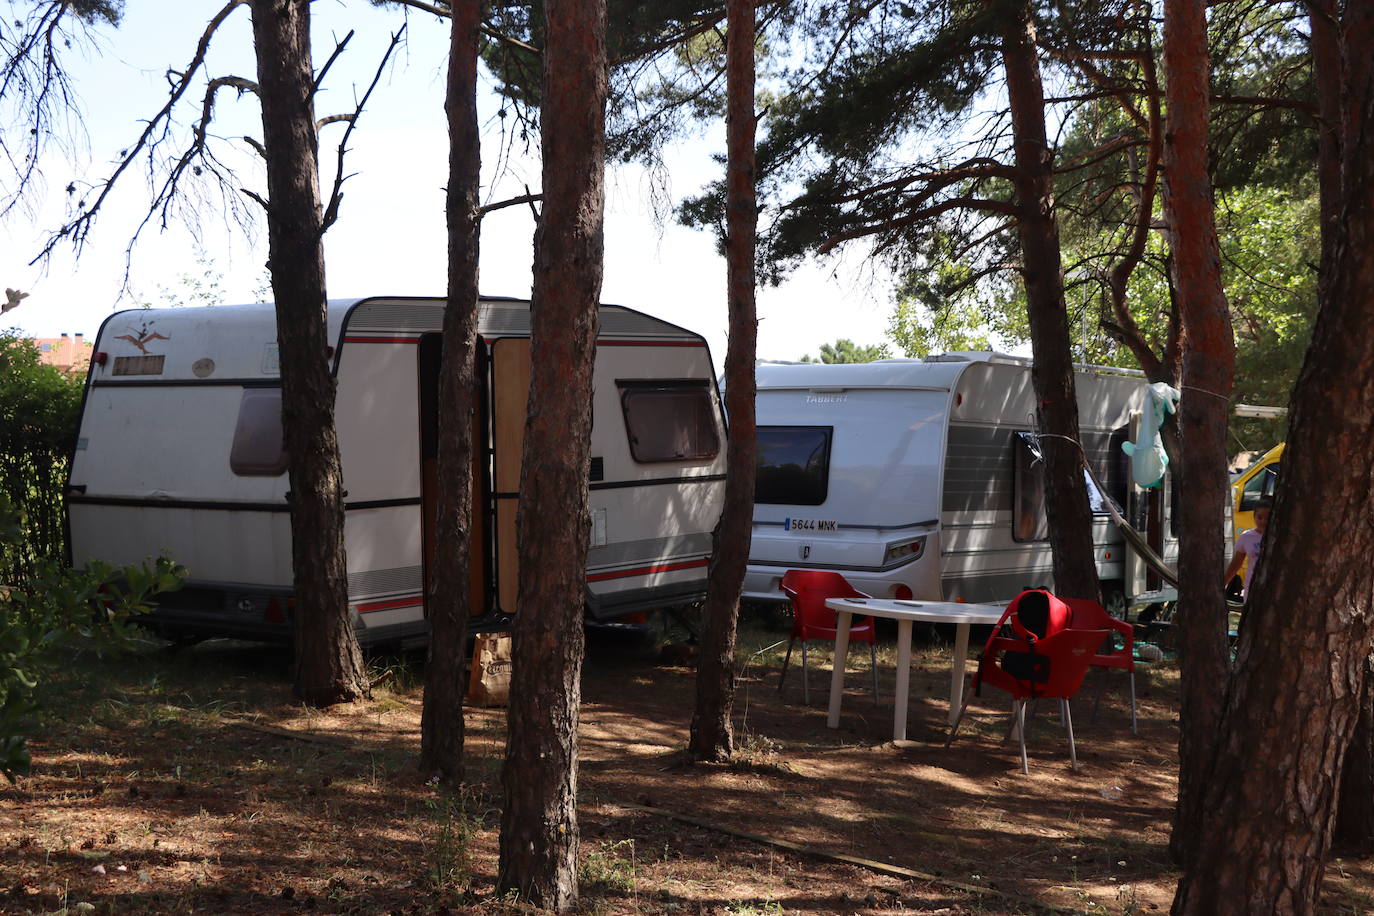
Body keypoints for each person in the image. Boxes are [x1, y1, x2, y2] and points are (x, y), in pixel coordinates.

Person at [1224, 498, 1271, 603]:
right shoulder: (1247, 537)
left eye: (1268, 518)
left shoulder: (1282, 538)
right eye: (1259, 517)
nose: (1263, 521)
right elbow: (1236, 563)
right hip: (1252, 587)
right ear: (1254, 516)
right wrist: (1223, 583)